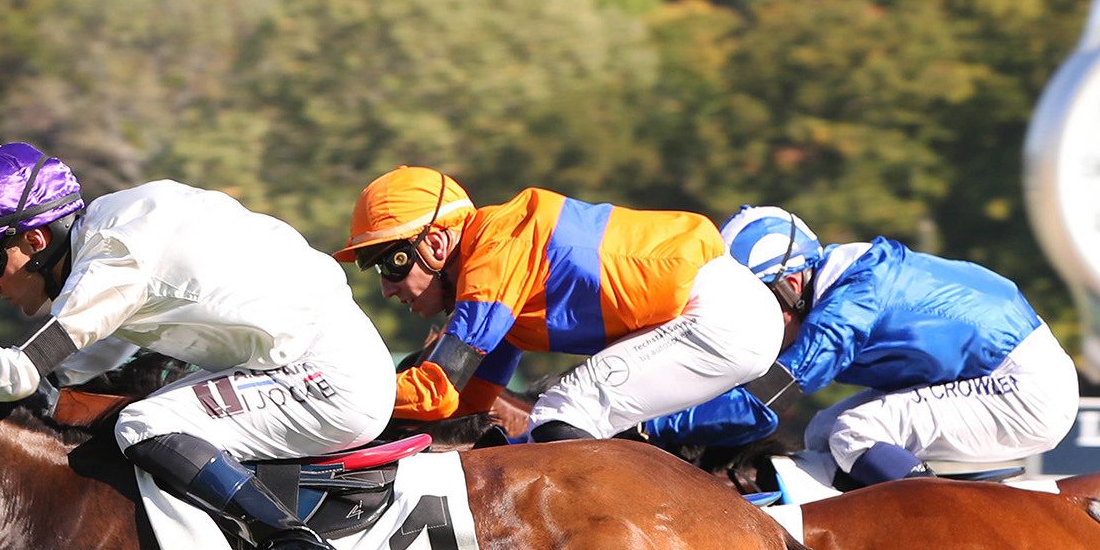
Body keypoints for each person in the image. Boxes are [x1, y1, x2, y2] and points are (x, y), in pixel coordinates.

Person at [0, 142, 396, 550]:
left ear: (37, 239)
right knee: (119, 416)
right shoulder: (110, 234)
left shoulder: (113, 257)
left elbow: (20, 372)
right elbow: (72, 370)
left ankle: (295, 548)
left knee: (145, 423)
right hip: (306, 358)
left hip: (327, 379)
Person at [332, 166, 785, 449]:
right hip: (721, 317)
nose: (389, 291)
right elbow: (467, 403)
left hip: (721, 314)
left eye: (387, 267)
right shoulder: (497, 275)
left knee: (560, 417)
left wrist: (332, 398)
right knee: (553, 426)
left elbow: (438, 390)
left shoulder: (495, 249)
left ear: (434, 242)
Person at [674, 205, 1080, 487]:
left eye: (755, 305)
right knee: (822, 433)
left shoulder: (849, 307)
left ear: (792, 284)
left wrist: (647, 424)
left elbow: (761, 403)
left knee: (856, 432)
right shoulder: (835, 287)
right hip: (1000, 369)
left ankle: (942, 527)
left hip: (1026, 387)